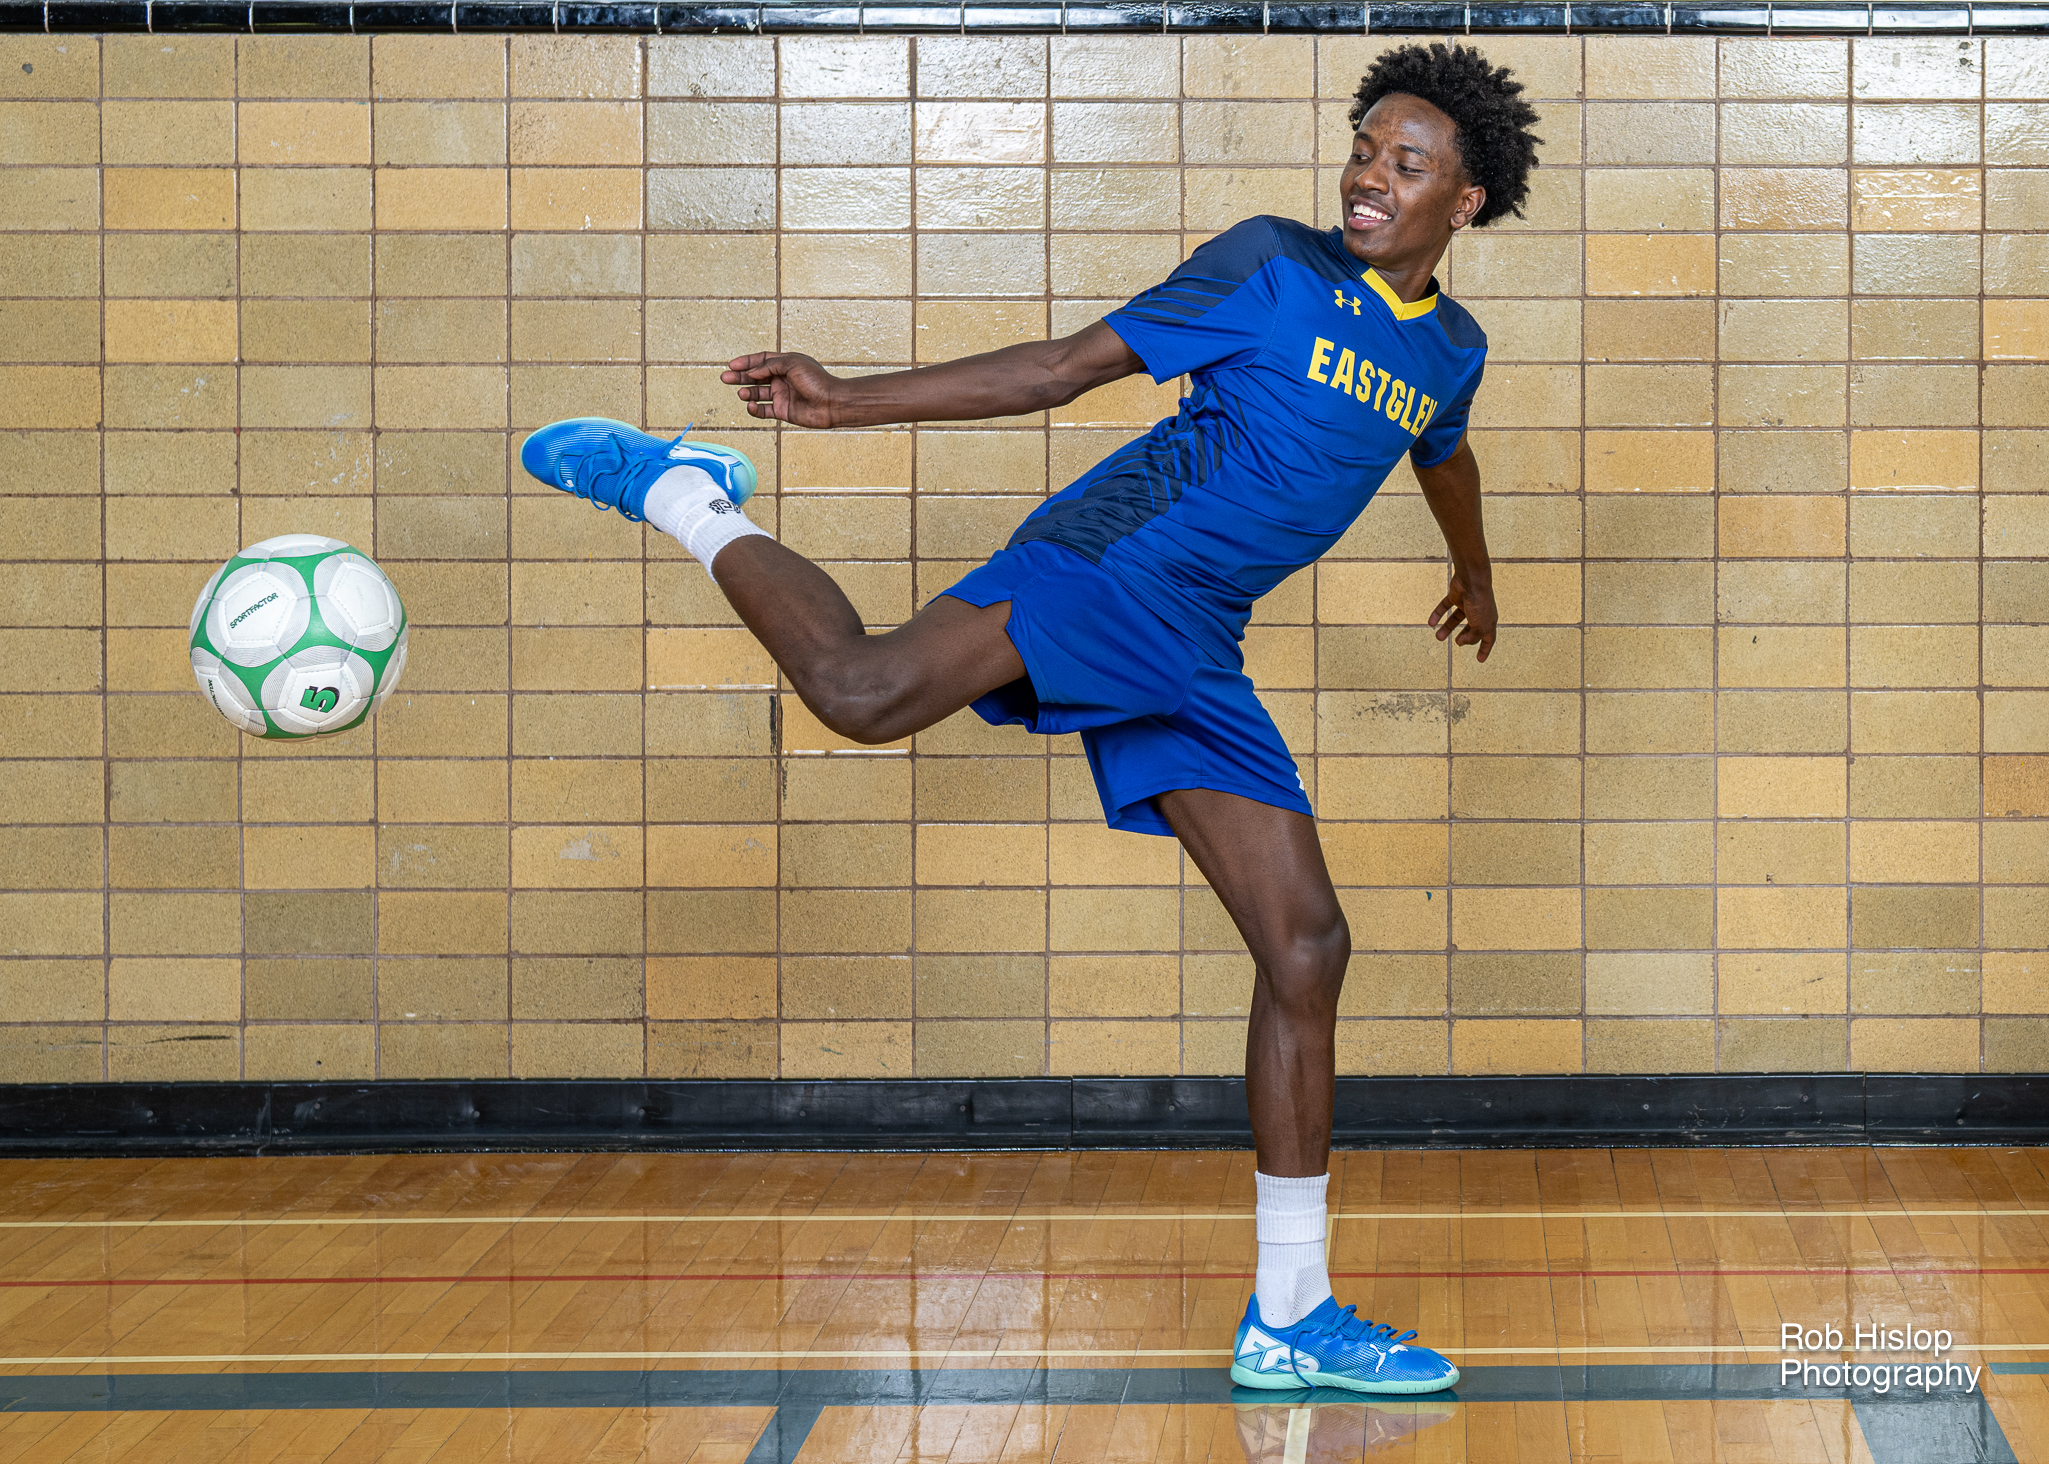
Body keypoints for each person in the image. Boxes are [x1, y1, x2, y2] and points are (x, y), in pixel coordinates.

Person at [520, 41, 1540, 1395]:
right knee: (861, 694)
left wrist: (1473, 568)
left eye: (1404, 165)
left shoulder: (1453, 347)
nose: (1367, 178)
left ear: (1463, 201)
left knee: (1306, 946)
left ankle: (1290, 1316)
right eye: (1362, 151)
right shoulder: (1270, 265)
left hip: (1200, 642)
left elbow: (1441, 451)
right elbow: (1061, 369)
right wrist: (846, 402)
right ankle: (681, 493)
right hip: (1109, 564)